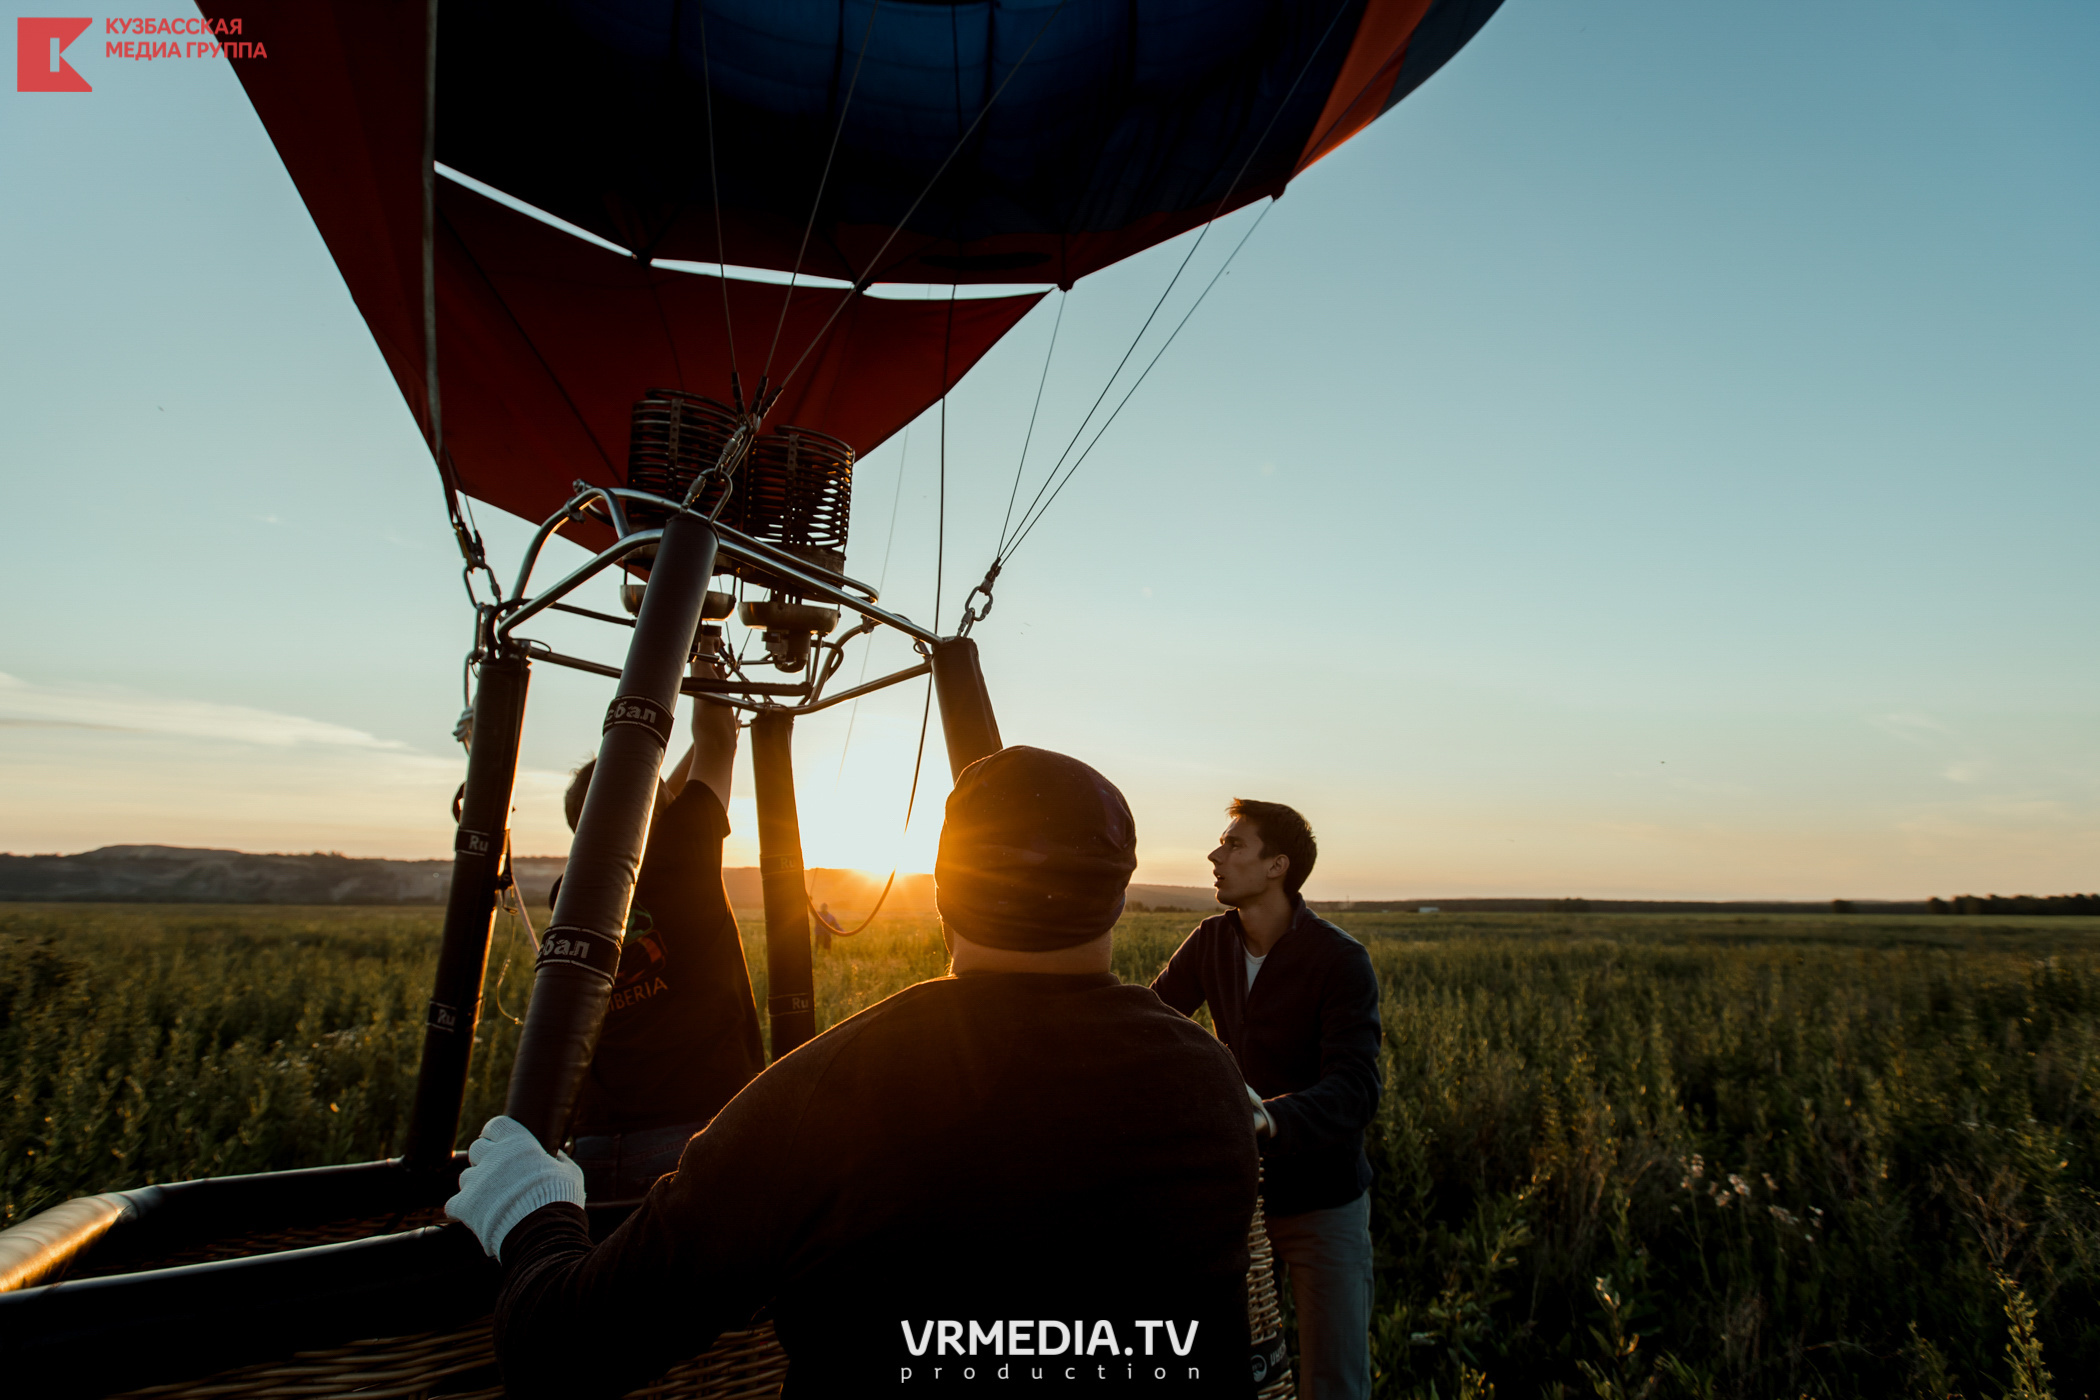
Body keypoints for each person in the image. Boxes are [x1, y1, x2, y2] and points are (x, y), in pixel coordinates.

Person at [447, 747, 1263, 1398]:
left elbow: (559, 1352)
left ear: (944, 890)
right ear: (1116, 895)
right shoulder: (1208, 1080)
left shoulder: (829, 1092)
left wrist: (531, 1207)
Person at [1150, 800, 1382, 1400]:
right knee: (1236, 1370)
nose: (1215, 856)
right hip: (1237, 1200)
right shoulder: (1210, 941)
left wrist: (1268, 1119)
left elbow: (1356, 1088)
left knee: (1334, 1379)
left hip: (1323, 1200)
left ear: (1278, 865)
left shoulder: (1339, 959)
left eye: (1234, 844)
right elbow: (1153, 1032)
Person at [557, 653, 766, 1200]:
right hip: (689, 1136)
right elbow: (714, 745)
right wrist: (706, 657)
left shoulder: (569, 892)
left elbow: (653, 807)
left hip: (593, 1147)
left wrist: (713, 737)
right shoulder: (685, 852)